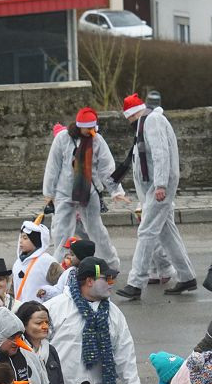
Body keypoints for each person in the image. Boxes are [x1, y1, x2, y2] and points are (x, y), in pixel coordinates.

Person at [114, 94, 198, 300]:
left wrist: (160, 185)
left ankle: (136, 282)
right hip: (156, 186)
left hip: (159, 187)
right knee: (167, 234)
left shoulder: (152, 121)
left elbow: (160, 154)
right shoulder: (150, 120)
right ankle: (187, 276)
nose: (130, 123)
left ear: (133, 114)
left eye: (129, 119)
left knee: (147, 231)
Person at [45, 256, 142, 384]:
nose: (112, 283)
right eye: (108, 279)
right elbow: (39, 348)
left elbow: (124, 353)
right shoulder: (55, 308)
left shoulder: (113, 314)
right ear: (89, 281)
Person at [42, 107, 127, 271]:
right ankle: (58, 268)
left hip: (89, 191)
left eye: (92, 128)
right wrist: (49, 192)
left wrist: (116, 191)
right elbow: (53, 166)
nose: (91, 131)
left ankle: (110, 263)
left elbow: (107, 169)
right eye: (87, 128)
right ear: (79, 126)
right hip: (64, 192)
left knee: (97, 230)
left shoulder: (98, 141)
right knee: (61, 232)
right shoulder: (62, 138)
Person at [12, 220, 61, 304]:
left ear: (36, 241)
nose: (20, 241)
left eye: (25, 238)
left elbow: (61, 284)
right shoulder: (18, 263)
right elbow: (13, 288)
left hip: (40, 311)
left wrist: (47, 294)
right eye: (21, 237)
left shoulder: (47, 261)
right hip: (19, 311)